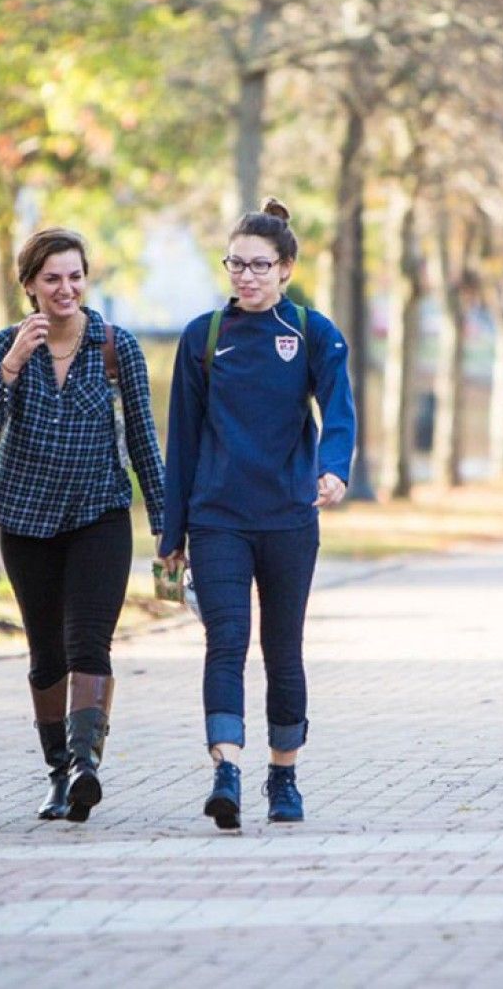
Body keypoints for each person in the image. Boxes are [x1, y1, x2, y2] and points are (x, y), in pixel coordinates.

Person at [159, 198, 355, 831]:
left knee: (283, 648)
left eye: (259, 266)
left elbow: (339, 409)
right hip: (217, 518)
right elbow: (182, 441)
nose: (245, 276)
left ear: (286, 269)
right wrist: (171, 534)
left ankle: (285, 776)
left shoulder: (312, 333)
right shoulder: (203, 337)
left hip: (289, 518)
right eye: (235, 264)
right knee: (225, 641)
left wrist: (333, 466)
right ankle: (226, 773)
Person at [0, 227, 165, 823]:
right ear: (29, 286)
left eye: (75, 276)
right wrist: (11, 364)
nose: (65, 288)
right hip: (26, 523)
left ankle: (85, 767)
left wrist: (166, 526)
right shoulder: (7, 344)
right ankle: (57, 774)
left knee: (88, 644)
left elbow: (143, 441)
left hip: (98, 515)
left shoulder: (114, 345)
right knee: (46, 653)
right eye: (52, 278)